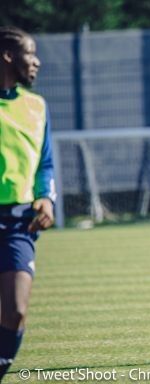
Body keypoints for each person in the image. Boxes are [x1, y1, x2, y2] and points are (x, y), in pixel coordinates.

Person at [0, 26, 55, 382]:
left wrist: (46, 198)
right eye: (29, 53)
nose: (36, 61)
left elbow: (45, 162)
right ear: (7, 57)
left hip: (18, 222)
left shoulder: (35, 105)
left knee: (16, 311)